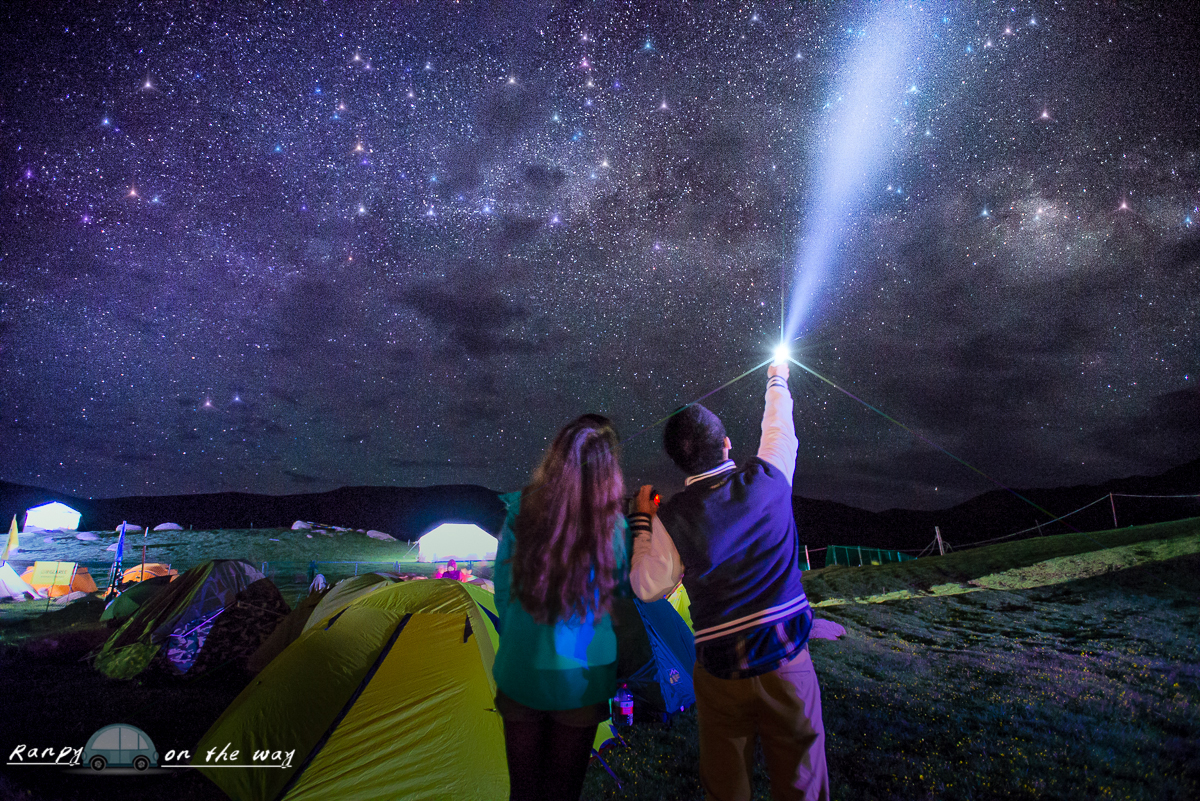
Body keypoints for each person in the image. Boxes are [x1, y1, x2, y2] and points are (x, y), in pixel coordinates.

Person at [628, 362, 829, 801]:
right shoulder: (771, 477)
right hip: (786, 659)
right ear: (726, 444)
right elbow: (779, 426)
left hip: (719, 671)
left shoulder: (672, 518)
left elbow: (646, 587)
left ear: (680, 462)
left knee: (726, 787)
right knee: (802, 781)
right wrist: (778, 379)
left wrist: (642, 521)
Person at [492, 414, 630, 801]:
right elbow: (616, 595)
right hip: (581, 681)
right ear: (607, 468)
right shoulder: (614, 528)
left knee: (523, 792)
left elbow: (502, 593)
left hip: (521, 672)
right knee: (563, 792)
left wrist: (522, 638)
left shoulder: (520, 512)